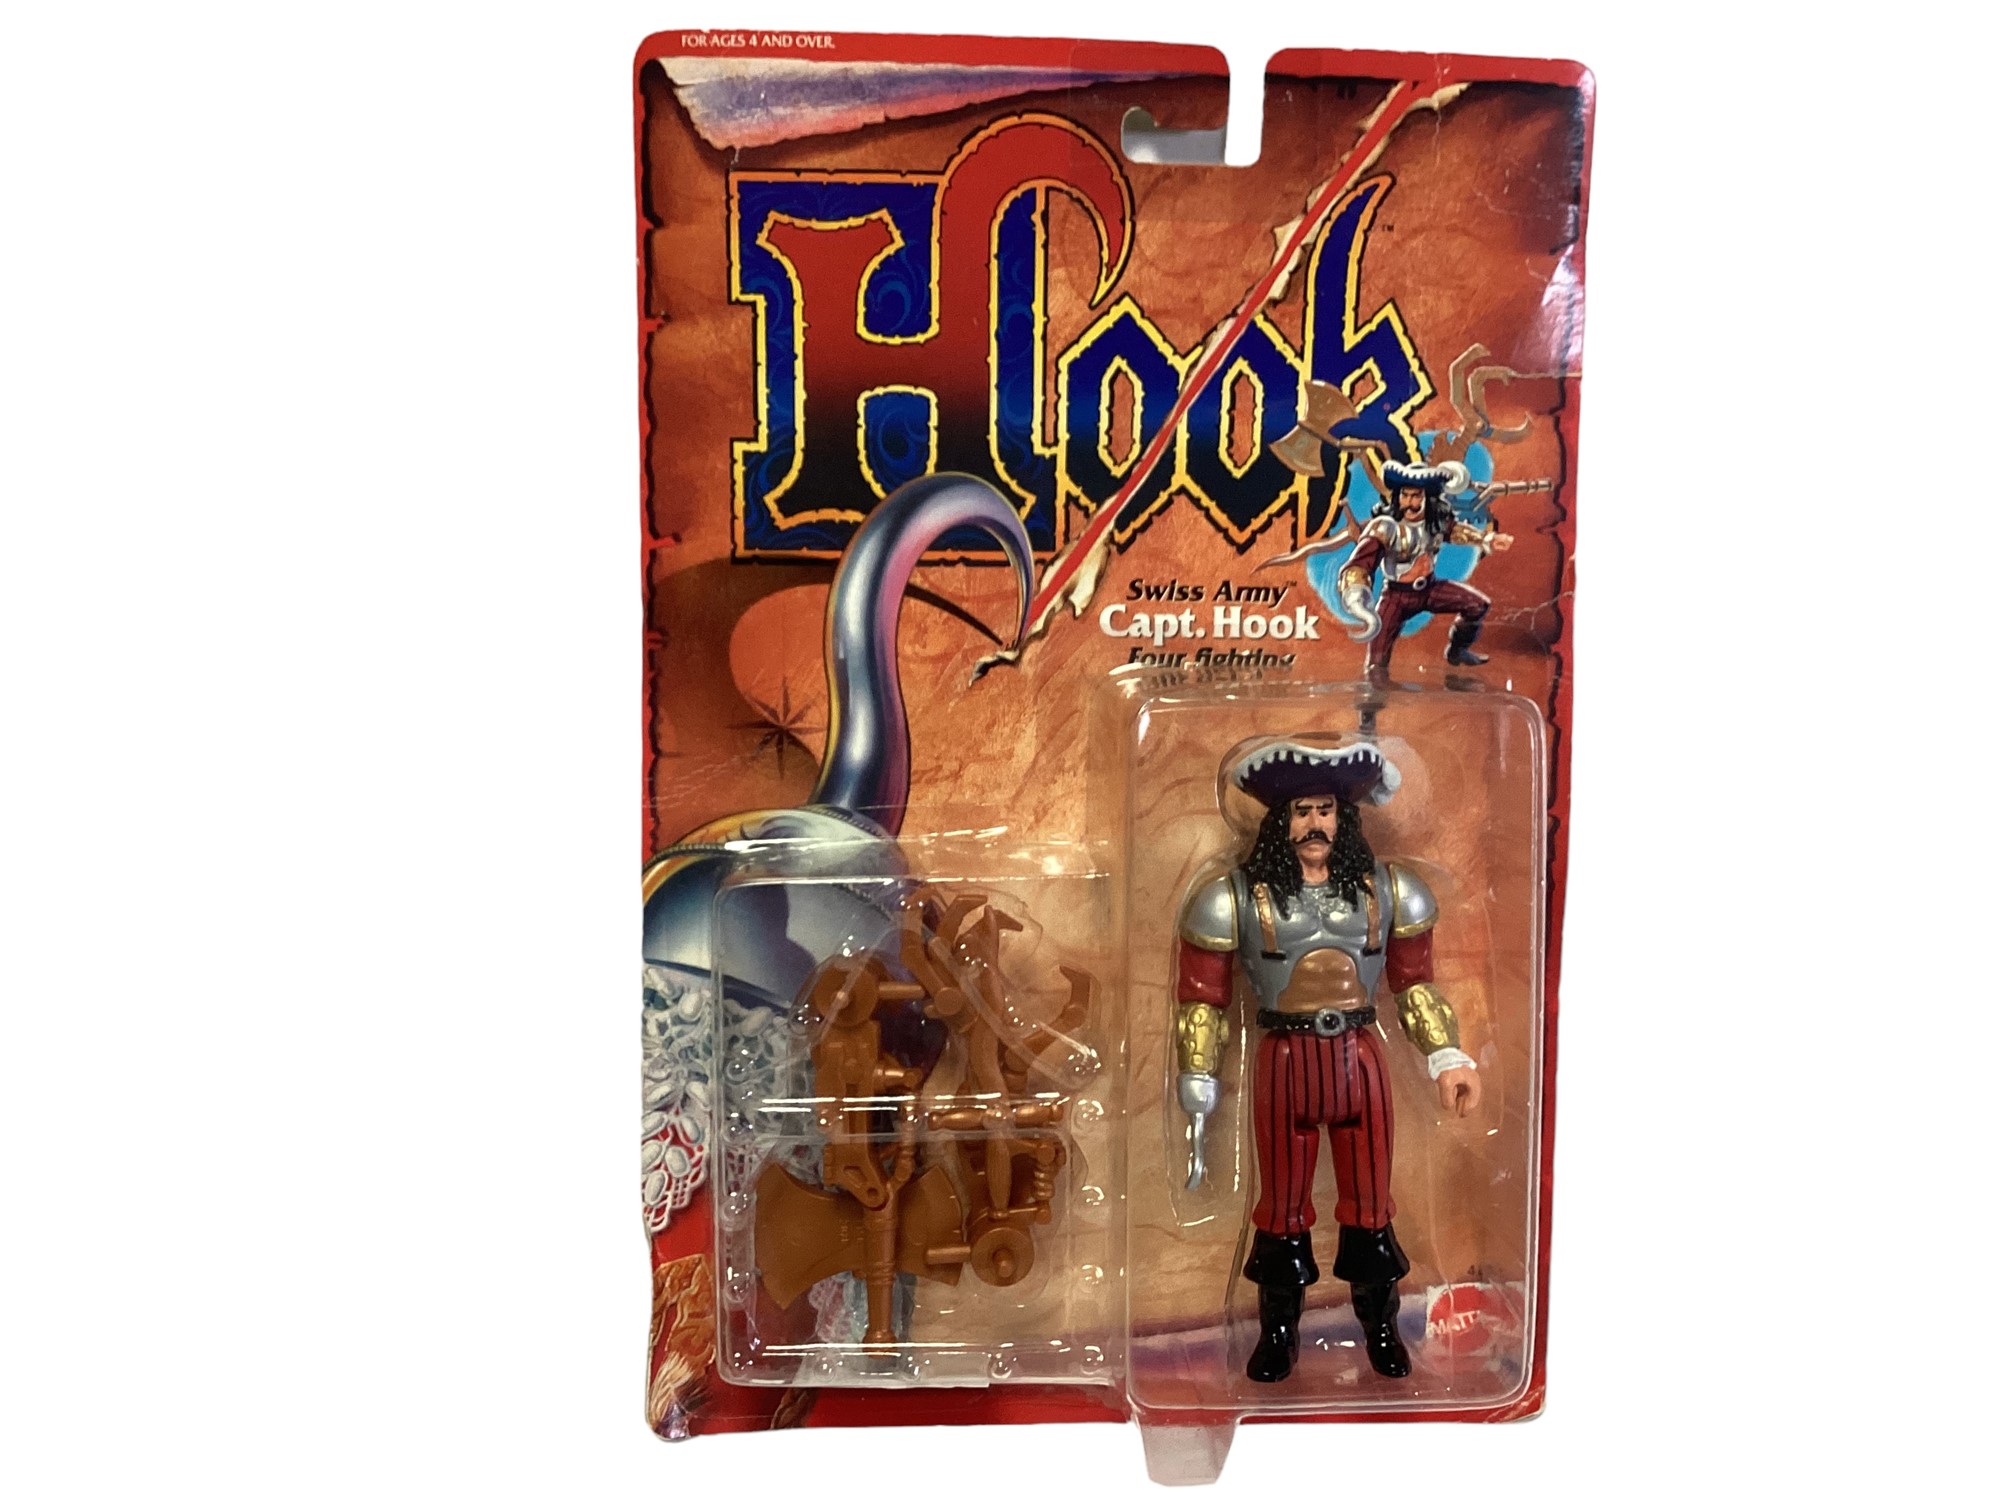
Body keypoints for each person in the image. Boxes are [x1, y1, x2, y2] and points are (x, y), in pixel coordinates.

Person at [1174, 738, 1479, 1382]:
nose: (1315, 824)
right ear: (1279, 822)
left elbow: (1415, 984)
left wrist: (1447, 1055)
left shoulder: (1388, 891)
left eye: (1326, 810)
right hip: (1284, 1063)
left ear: (1345, 818)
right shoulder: (1233, 898)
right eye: (1302, 811)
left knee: (1371, 1205)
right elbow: (1203, 997)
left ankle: (1380, 1328)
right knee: (1280, 1208)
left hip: (1359, 1062)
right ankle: (1278, 1332)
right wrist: (1197, 1072)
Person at [1336, 460, 1511, 679]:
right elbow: (1360, 564)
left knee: (1477, 605)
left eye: (1416, 496)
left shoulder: (1435, 522)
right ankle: (1373, 699)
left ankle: (1457, 651)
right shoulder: (1385, 527)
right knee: (1376, 664)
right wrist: (1357, 601)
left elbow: (1457, 531)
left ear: (1428, 498)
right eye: (1405, 495)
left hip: (1429, 590)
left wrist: (1487, 539)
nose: (1410, 502)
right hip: (1396, 598)